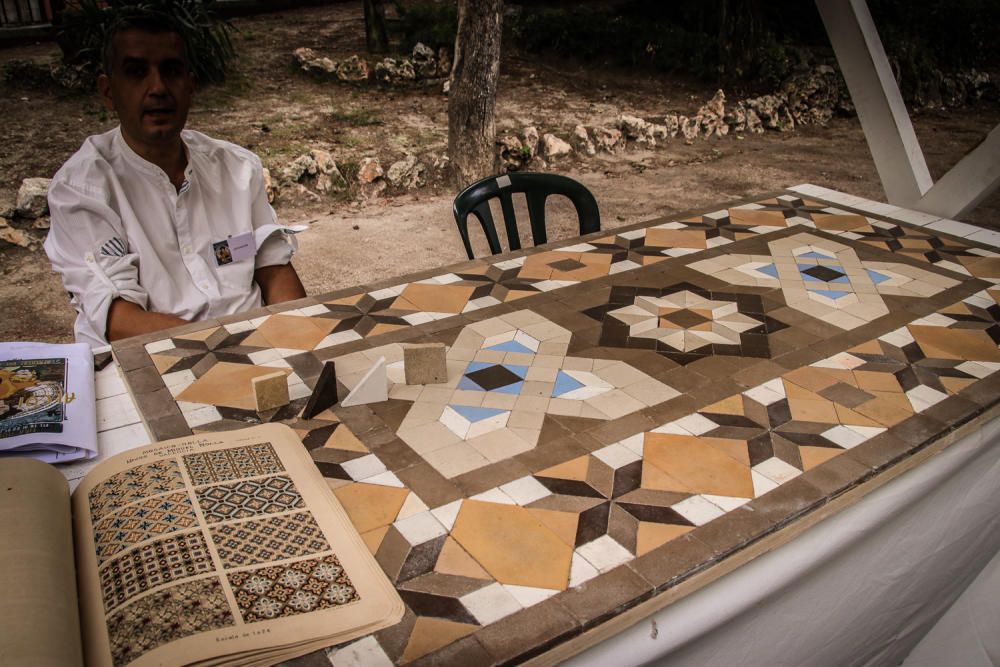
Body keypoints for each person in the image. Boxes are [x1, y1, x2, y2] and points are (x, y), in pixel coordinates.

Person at [44, 15, 306, 349]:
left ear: (190, 85)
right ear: (109, 92)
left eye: (170, 71)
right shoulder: (82, 189)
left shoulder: (237, 168)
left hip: (252, 349)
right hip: (150, 359)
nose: (158, 88)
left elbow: (271, 266)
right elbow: (119, 318)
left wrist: (300, 339)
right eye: (137, 72)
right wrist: (234, 351)